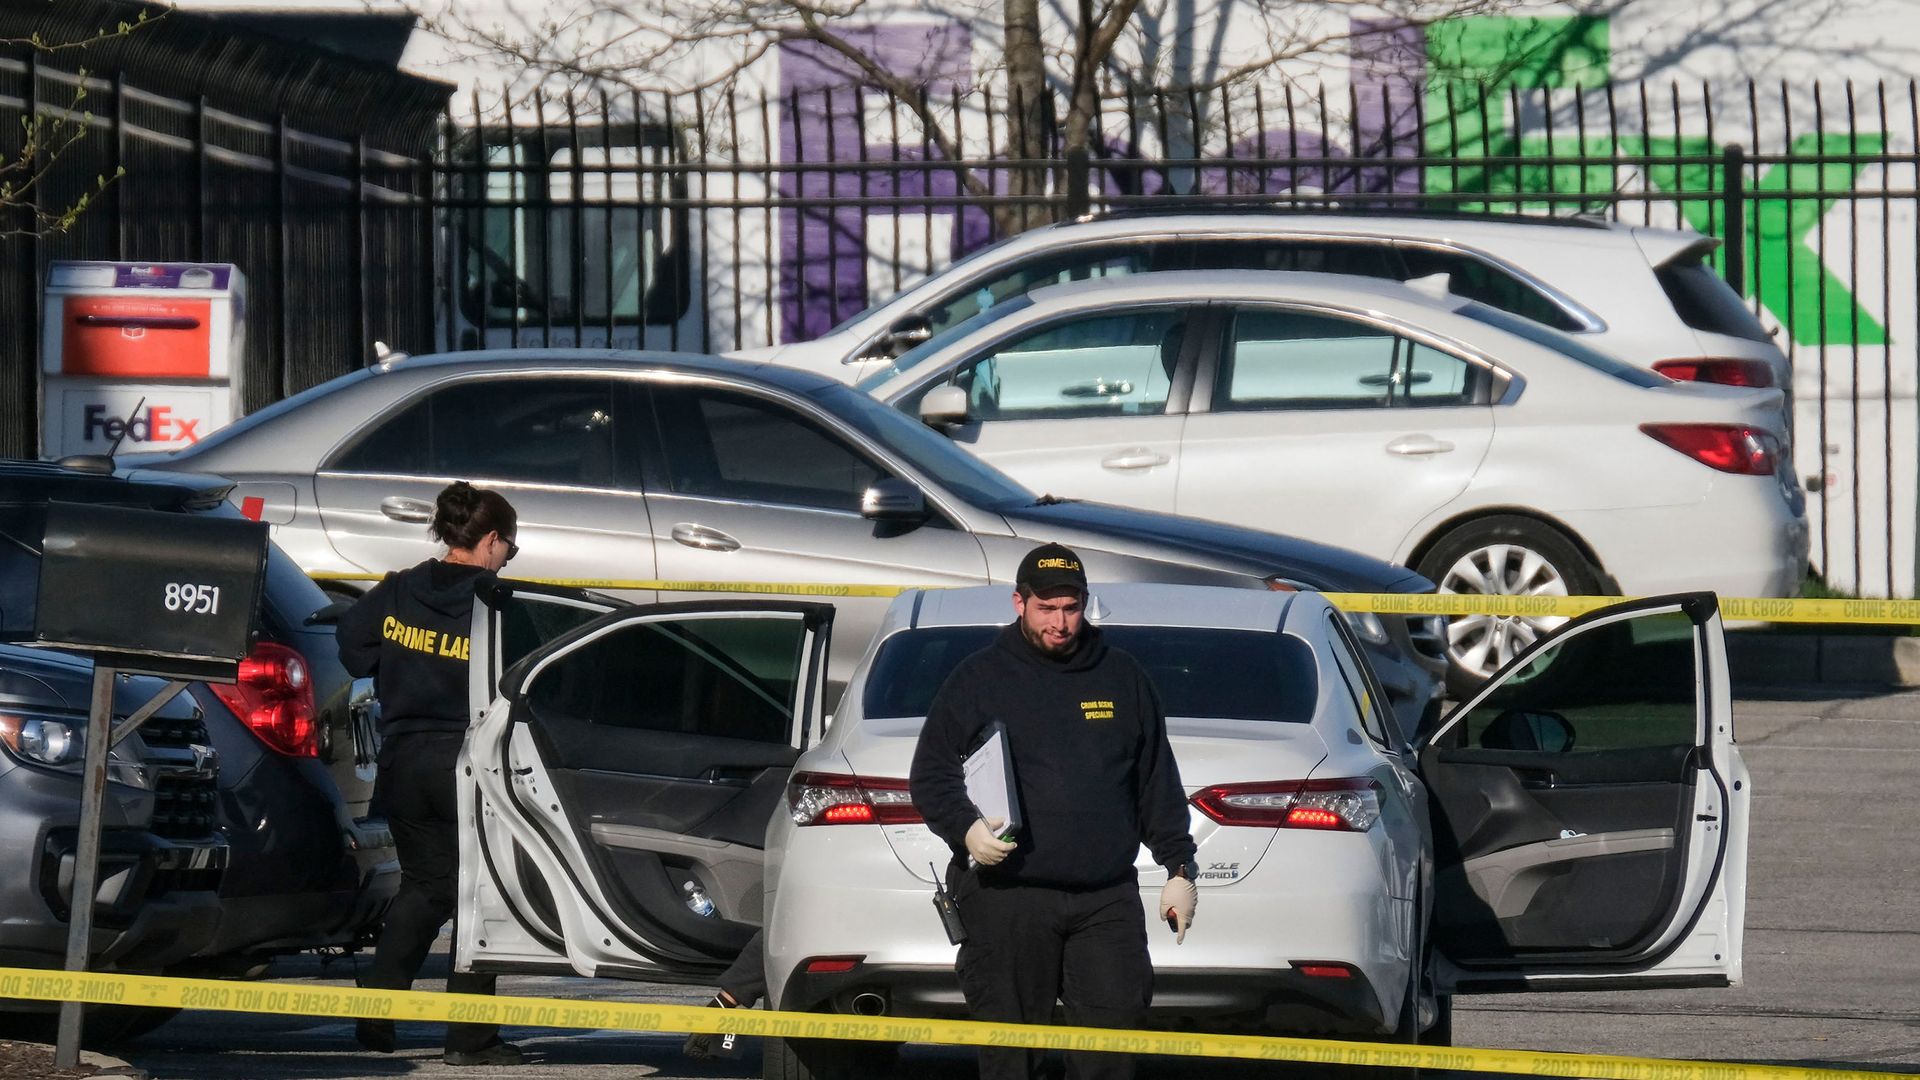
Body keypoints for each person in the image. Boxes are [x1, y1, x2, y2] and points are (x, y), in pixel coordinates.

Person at [909, 543, 1199, 1080]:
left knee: (1109, 1053)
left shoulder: (1122, 676)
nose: (1060, 623)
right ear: (1019, 603)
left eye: (1071, 607)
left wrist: (1179, 868)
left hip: (1104, 898)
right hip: (1007, 896)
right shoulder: (979, 677)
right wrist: (966, 829)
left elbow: (1155, 779)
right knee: (1012, 1058)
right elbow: (930, 774)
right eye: (1047, 609)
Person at [337, 481, 524, 1067]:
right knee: (477, 898)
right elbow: (529, 679)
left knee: (427, 888)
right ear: (490, 540)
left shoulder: (397, 590)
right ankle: (470, 1038)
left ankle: (378, 1007)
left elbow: (352, 649)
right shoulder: (496, 600)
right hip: (468, 766)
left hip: (405, 763)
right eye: (509, 548)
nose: (507, 559)